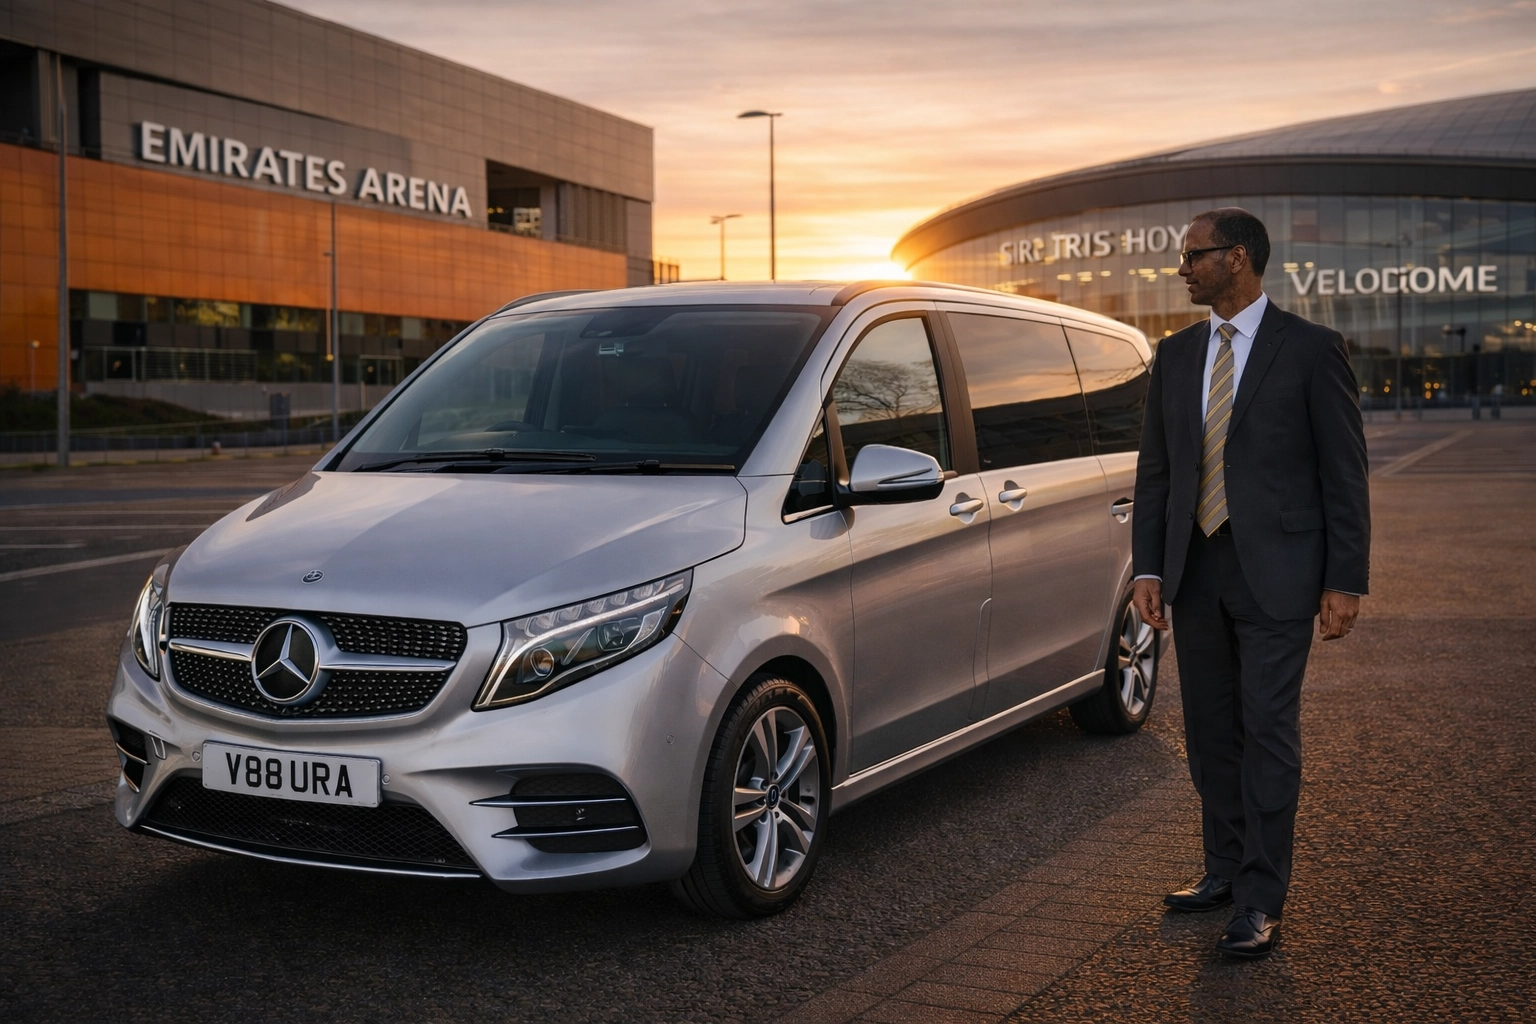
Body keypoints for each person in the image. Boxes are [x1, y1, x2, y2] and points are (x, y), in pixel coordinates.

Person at [1132, 208, 1370, 958]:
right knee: (1208, 732)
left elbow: (1344, 474)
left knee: (1268, 732)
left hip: (1280, 572)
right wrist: (1148, 566)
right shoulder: (1173, 356)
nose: (1182, 269)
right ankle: (1224, 871)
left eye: (1194, 256)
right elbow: (1158, 471)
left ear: (1237, 258)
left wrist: (1345, 579)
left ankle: (1262, 897)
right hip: (1195, 570)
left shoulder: (1311, 349)